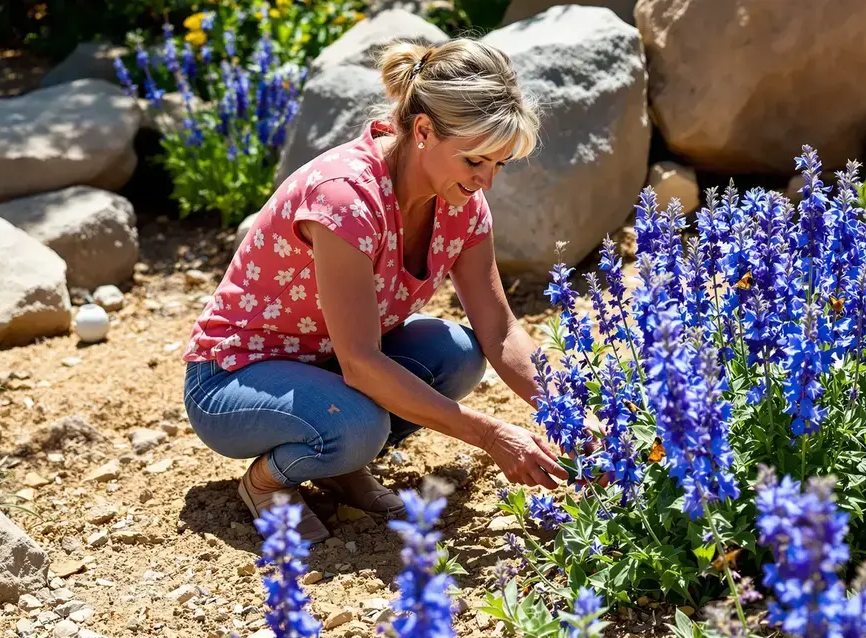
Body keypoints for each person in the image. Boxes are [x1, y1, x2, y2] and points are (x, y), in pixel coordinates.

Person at [181, 38, 573, 544]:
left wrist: (574, 411)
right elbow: (361, 363)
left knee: (455, 352)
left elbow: (498, 329)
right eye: (475, 160)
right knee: (361, 426)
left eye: (499, 164)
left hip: (325, 369)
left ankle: (338, 465)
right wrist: (490, 435)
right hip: (233, 378)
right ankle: (269, 480)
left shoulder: (462, 205)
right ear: (425, 131)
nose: (487, 182)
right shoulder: (345, 196)